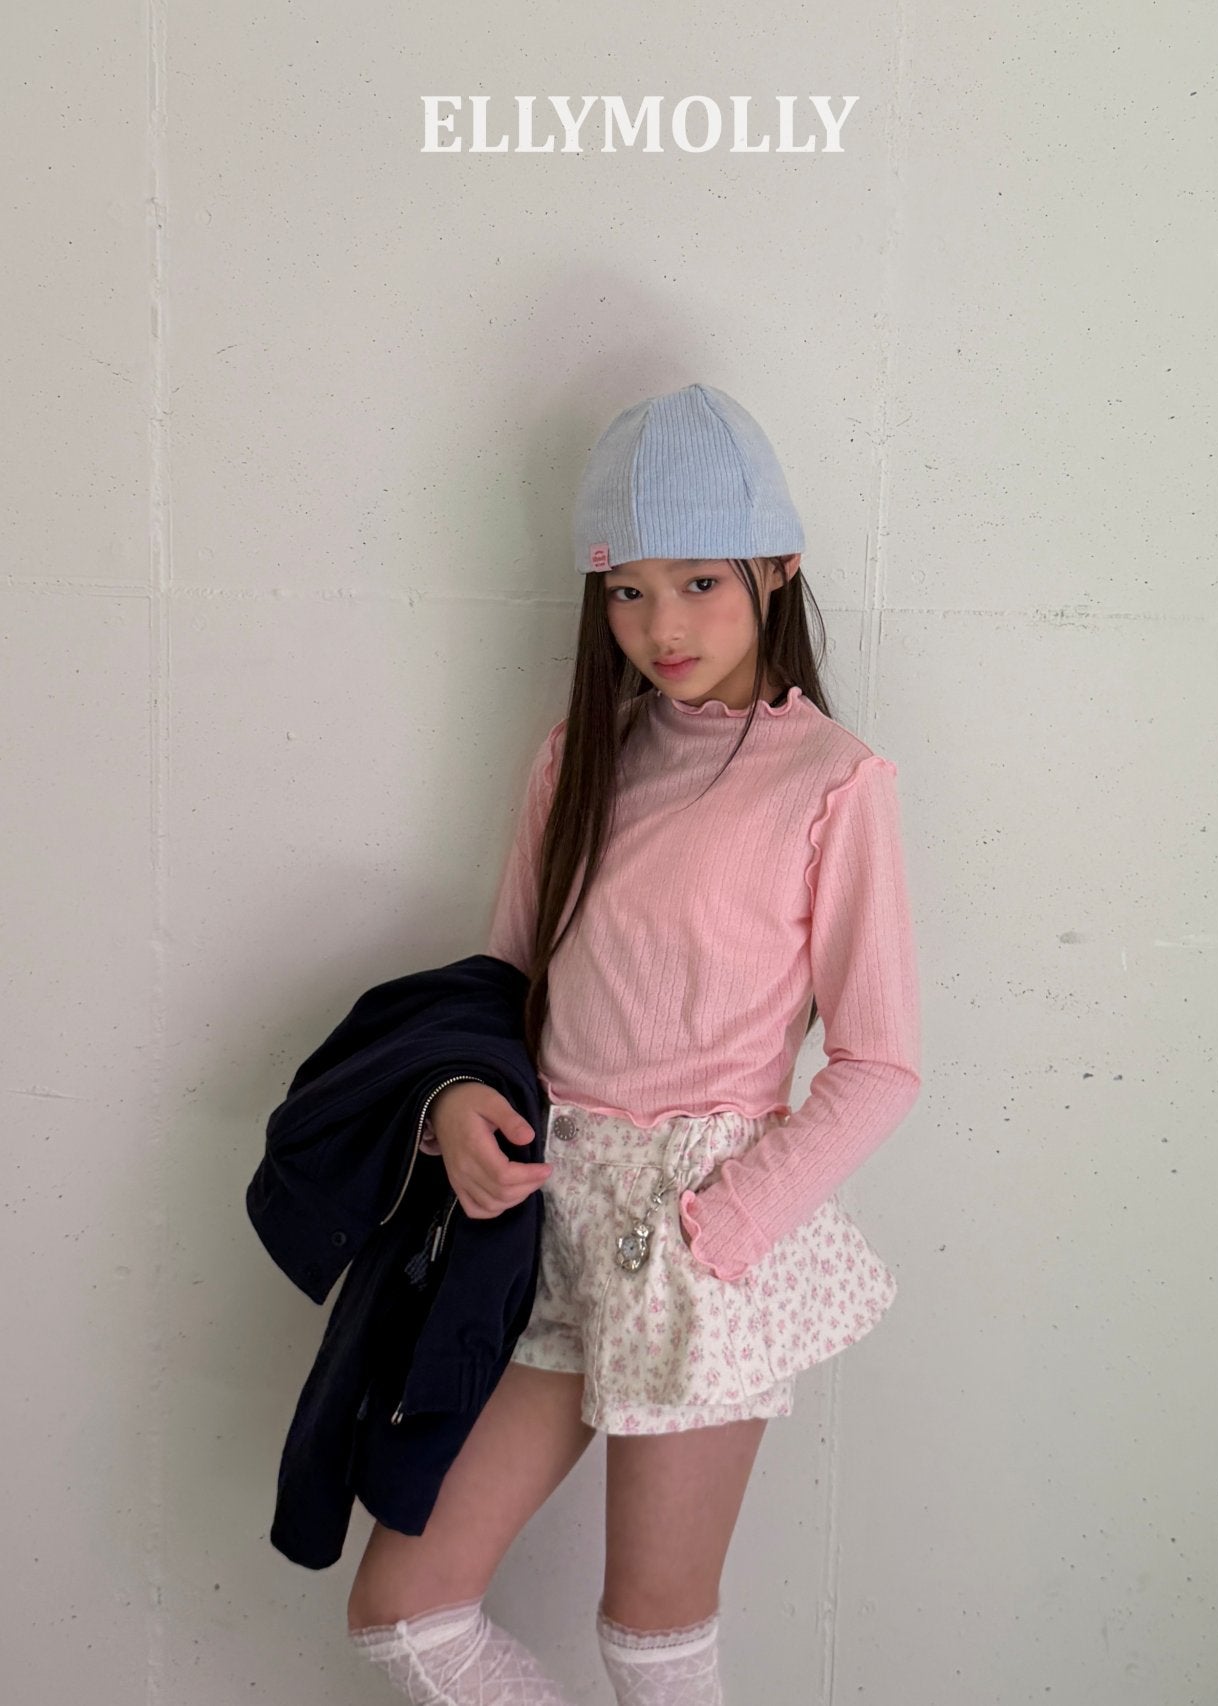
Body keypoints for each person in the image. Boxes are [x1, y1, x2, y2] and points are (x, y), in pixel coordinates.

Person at [345, 381, 923, 1704]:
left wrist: (722, 1231)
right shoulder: (578, 759)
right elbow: (499, 992)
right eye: (628, 591)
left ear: (779, 571)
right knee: (407, 1613)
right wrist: (453, 1102)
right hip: (544, 1221)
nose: (663, 627)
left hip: (697, 1233)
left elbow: (880, 1061)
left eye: (702, 583)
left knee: (652, 1641)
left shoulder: (832, 780)